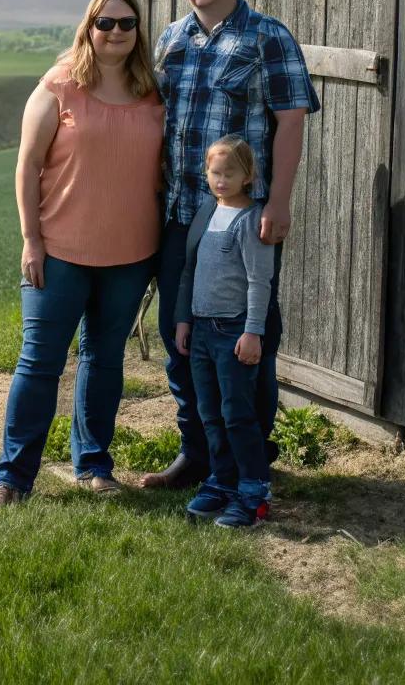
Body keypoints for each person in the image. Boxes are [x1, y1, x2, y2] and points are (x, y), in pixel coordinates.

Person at [143, 0, 319, 493]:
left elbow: (291, 121)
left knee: (249, 335)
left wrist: (280, 202)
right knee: (181, 335)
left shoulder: (267, 37)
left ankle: (251, 455)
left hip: (242, 220)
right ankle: (197, 452)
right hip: (180, 215)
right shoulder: (172, 41)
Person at [0, 0, 165, 509]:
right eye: (105, 23)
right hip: (58, 252)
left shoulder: (152, 90)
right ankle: (12, 481)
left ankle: (92, 466)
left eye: (127, 24)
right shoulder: (59, 85)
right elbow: (27, 165)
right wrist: (31, 240)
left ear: (138, 32)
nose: (116, 33)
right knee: (39, 363)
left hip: (130, 255)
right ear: (88, 27)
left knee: (104, 360)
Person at [175, 137, 274, 528]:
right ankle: (222, 480)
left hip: (234, 331)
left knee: (237, 414)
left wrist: (252, 332)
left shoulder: (251, 220)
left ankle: (253, 491)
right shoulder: (205, 213)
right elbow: (189, 271)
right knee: (210, 413)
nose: (221, 180)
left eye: (229, 173)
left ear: (248, 175)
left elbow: (259, 281)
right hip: (201, 330)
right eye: (215, 173)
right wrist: (185, 320)